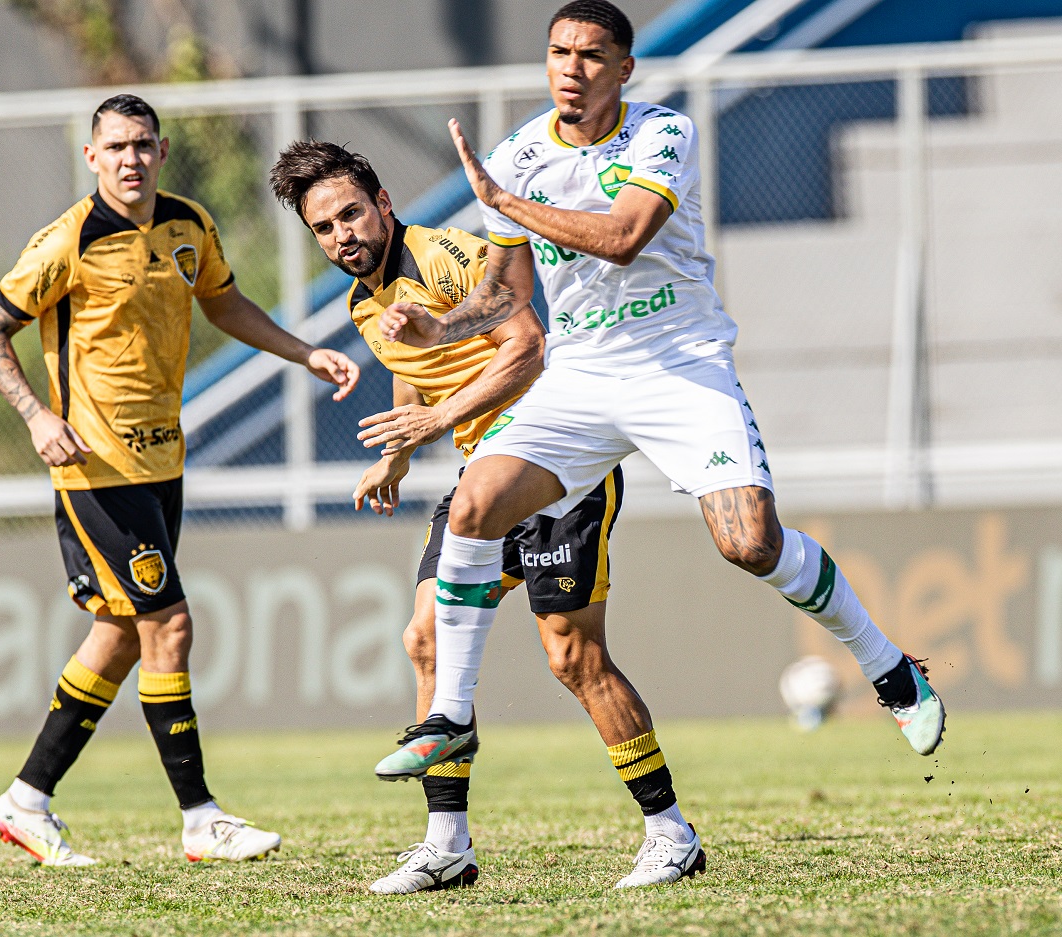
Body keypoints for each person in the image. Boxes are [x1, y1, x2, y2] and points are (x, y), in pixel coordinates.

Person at [374, 0, 946, 889]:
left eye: (593, 55)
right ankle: (448, 714)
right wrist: (440, 326)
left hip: (680, 367)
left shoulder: (660, 135)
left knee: (749, 543)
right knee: (475, 505)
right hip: (580, 376)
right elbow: (505, 290)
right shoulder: (523, 152)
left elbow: (627, 235)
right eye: (559, 52)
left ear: (625, 69)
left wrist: (505, 201)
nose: (572, 68)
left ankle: (888, 667)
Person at [269, 141, 676, 894]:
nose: (341, 235)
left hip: (555, 465)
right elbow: (411, 369)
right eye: (323, 227)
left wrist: (435, 423)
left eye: (351, 213)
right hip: (478, 480)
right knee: (423, 636)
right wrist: (397, 452)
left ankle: (668, 831)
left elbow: (528, 348)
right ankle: (446, 843)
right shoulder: (365, 299)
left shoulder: (448, 257)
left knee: (573, 660)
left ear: (384, 203)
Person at [0, 94, 359, 866]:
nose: (130, 159)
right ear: (91, 157)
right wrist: (37, 417)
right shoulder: (67, 240)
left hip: (162, 462)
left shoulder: (189, 223)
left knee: (119, 633)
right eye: (115, 146)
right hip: (96, 468)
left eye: (143, 144)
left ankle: (25, 800)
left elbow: (223, 304)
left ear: (164, 149)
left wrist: (303, 351)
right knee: (170, 625)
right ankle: (200, 817)